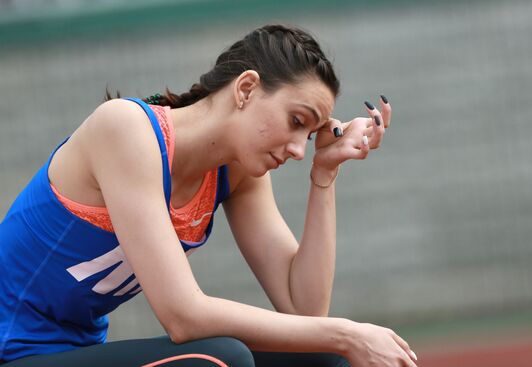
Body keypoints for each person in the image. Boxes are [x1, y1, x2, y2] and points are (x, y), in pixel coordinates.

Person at [0, 24, 416, 367]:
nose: (297, 149)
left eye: (308, 135)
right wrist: (348, 332)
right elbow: (183, 316)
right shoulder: (125, 129)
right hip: (13, 352)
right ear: (246, 88)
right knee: (219, 360)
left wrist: (325, 173)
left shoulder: (237, 171)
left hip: (77, 353)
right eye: (295, 121)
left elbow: (303, 312)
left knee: (324, 360)